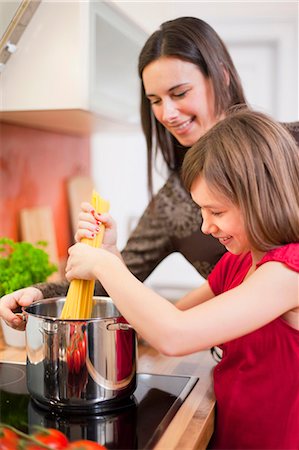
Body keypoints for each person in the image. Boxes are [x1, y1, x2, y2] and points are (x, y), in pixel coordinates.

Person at [0, 17, 298, 331]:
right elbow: (121, 290)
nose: (167, 114)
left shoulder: (292, 148)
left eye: (180, 93)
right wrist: (40, 295)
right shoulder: (173, 201)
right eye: (155, 100)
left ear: (221, 77)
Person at [65, 109, 299, 449]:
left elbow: (175, 335)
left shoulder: (289, 271)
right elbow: (167, 318)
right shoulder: (239, 264)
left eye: (217, 212)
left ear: (262, 197)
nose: (206, 227)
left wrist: (105, 267)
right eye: (201, 211)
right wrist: (113, 254)